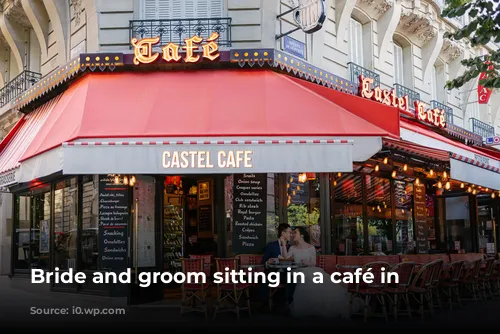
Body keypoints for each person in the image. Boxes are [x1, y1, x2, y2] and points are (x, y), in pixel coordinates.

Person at [288, 226, 364, 319]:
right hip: (298, 270)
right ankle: (310, 306)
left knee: (319, 275)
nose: (292, 235)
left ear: (302, 235)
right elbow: (286, 260)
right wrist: (284, 245)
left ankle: (329, 303)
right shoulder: (292, 248)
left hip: (310, 268)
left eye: (295, 233)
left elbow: (313, 263)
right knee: (306, 276)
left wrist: (307, 263)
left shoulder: (311, 247)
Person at [259, 223, 291, 310]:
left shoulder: (291, 247)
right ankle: (264, 304)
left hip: (286, 273)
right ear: (283, 233)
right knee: (263, 277)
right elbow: (263, 262)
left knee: (292, 278)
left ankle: (287, 303)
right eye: (289, 232)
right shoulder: (271, 245)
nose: (290, 234)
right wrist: (268, 262)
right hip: (273, 272)